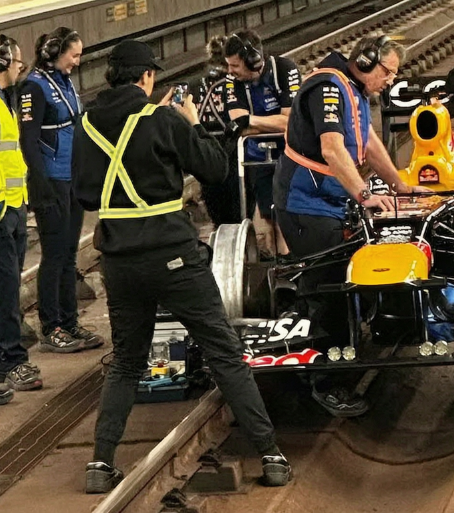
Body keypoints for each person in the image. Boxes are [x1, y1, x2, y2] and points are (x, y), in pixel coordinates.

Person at [72, 40, 291, 493]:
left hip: (119, 261)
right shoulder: (163, 118)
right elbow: (215, 169)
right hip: (173, 255)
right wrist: (192, 123)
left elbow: (85, 195)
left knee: (126, 361)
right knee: (223, 351)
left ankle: (99, 463)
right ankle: (271, 455)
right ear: (146, 77)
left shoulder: (86, 124)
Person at [273, 35, 431, 416]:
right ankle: (326, 383)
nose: (391, 81)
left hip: (329, 201)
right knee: (327, 289)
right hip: (306, 203)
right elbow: (332, 148)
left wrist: (399, 186)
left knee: (344, 279)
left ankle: (350, 347)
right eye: (388, 72)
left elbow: (369, 141)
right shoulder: (328, 88)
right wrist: (364, 195)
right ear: (365, 61)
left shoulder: (354, 89)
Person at [20, 27, 103, 352]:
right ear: (56, 53)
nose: (78, 62)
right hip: (51, 182)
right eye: (74, 55)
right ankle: (51, 326)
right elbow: (29, 140)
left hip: (71, 178)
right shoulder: (34, 87)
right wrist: (40, 184)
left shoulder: (65, 81)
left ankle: (69, 322)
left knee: (69, 255)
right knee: (54, 256)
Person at [224, 30, 301, 256]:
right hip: (258, 157)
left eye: (235, 65)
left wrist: (251, 120)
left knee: (289, 213)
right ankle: (278, 260)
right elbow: (238, 125)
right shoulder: (232, 81)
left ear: (253, 61)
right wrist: (267, 123)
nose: (230, 71)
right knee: (268, 216)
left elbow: (290, 122)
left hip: (292, 155)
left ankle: (291, 259)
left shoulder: (285, 70)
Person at [0, 35, 42, 396]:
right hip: (2, 210)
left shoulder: (5, 101)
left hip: (14, 206)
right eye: (16, 62)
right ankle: (12, 361)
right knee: (5, 291)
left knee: (9, 289)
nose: (20, 68)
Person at [194, 35, 242, 227]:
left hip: (206, 155)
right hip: (233, 154)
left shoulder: (195, 84)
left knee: (217, 215)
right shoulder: (236, 85)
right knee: (237, 214)